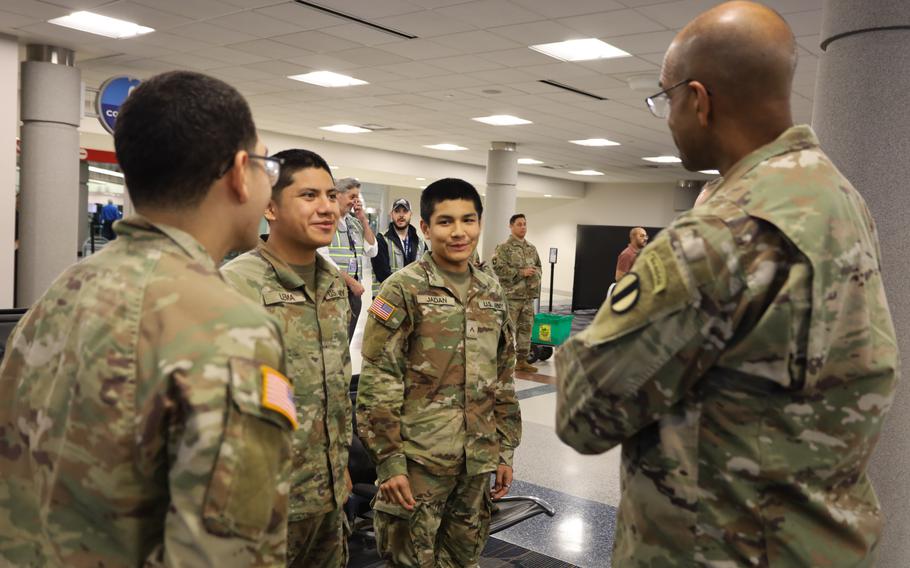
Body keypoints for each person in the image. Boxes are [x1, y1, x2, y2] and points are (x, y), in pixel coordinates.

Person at [555, 2, 898, 566]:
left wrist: (636, 283)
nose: (667, 117)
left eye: (666, 99)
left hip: (717, 546)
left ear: (698, 99)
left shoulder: (718, 235)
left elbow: (581, 414)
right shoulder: (839, 197)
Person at [0, 71, 296, 565]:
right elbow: (225, 553)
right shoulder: (227, 325)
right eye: (267, 164)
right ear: (240, 173)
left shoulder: (63, 291)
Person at [357, 178, 522, 568]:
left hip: (478, 460)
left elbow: (504, 376)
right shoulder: (401, 290)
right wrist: (389, 463)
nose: (459, 231)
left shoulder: (491, 289)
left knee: (465, 560)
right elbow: (380, 381)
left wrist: (506, 450)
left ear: (480, 223)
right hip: (418, 462)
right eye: (446, 222)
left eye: (469, 220)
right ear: (426, 229)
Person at [221, 149, 352, 568]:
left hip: (329, 497)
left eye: (331, 196)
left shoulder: (335, 285)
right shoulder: (235, 286)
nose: (327, 208)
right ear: (270, 207)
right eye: (309, 195)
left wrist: (340, 468)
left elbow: (335, 386)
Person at [318, 177, 377, 341]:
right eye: (352, 197)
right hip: (332, 292)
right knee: (331, 341)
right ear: (337, 195)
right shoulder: (325, 221)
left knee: (347, 340)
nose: (355, 201)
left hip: (353, 294)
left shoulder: (355, 222)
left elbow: (372, 250)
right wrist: (351, 282)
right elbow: (323, 259)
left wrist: (363, 220)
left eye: (357, 197)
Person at [492, 214, 542, 373]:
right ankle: (503, 361)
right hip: (511, 297)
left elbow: (539, 266)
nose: (523, 227)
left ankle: (522, 361)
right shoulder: (503, 247)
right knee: (507, 331)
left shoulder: (531, 248)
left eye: (525, 224)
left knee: (526, 329)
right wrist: (521, 272)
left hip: (528, 297)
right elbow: (499, 269)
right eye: (519, 224)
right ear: (511, 226)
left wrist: (536, 274)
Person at [371, 197, 426, 298]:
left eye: (405, 211)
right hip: (386, 299)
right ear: (391, 214)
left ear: (410, 214)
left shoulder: (420, 243)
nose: (401, 215)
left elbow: (425, 273)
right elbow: (382, 273)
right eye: (397, 211)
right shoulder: (381, 240)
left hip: (412, 300)